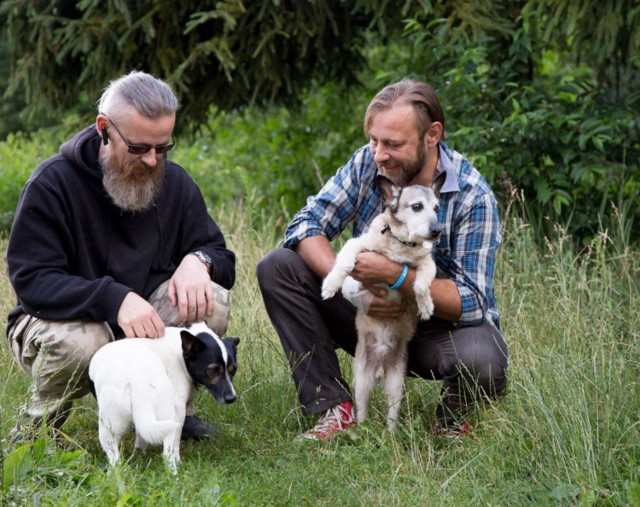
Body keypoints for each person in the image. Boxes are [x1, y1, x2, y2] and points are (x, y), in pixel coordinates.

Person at [257, 78, 508, 441]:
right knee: (278, 267)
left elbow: (471, 303)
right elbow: (305, 224)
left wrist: (395, 276)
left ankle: (451, 420)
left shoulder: (473, 196)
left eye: (393, 144)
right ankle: (332, 408)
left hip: (434, 328)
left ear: (432, 135)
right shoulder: (369, 163)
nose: (378, 154)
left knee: (484, 357)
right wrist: (351, 286)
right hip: (367, 313)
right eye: (374, 140)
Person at [6, 71, 235, 442]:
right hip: (60, 322)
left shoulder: (174, 182)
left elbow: (221, 258)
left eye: (162, 148)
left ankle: (172, 410)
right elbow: (32, 281)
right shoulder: (52, 183)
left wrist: (199, 261)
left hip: (142, 321)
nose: (151, 161)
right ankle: (37, 431)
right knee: (85, 343)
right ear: (104, 129)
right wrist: (113, 298)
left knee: (212, 303)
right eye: (140, 148)